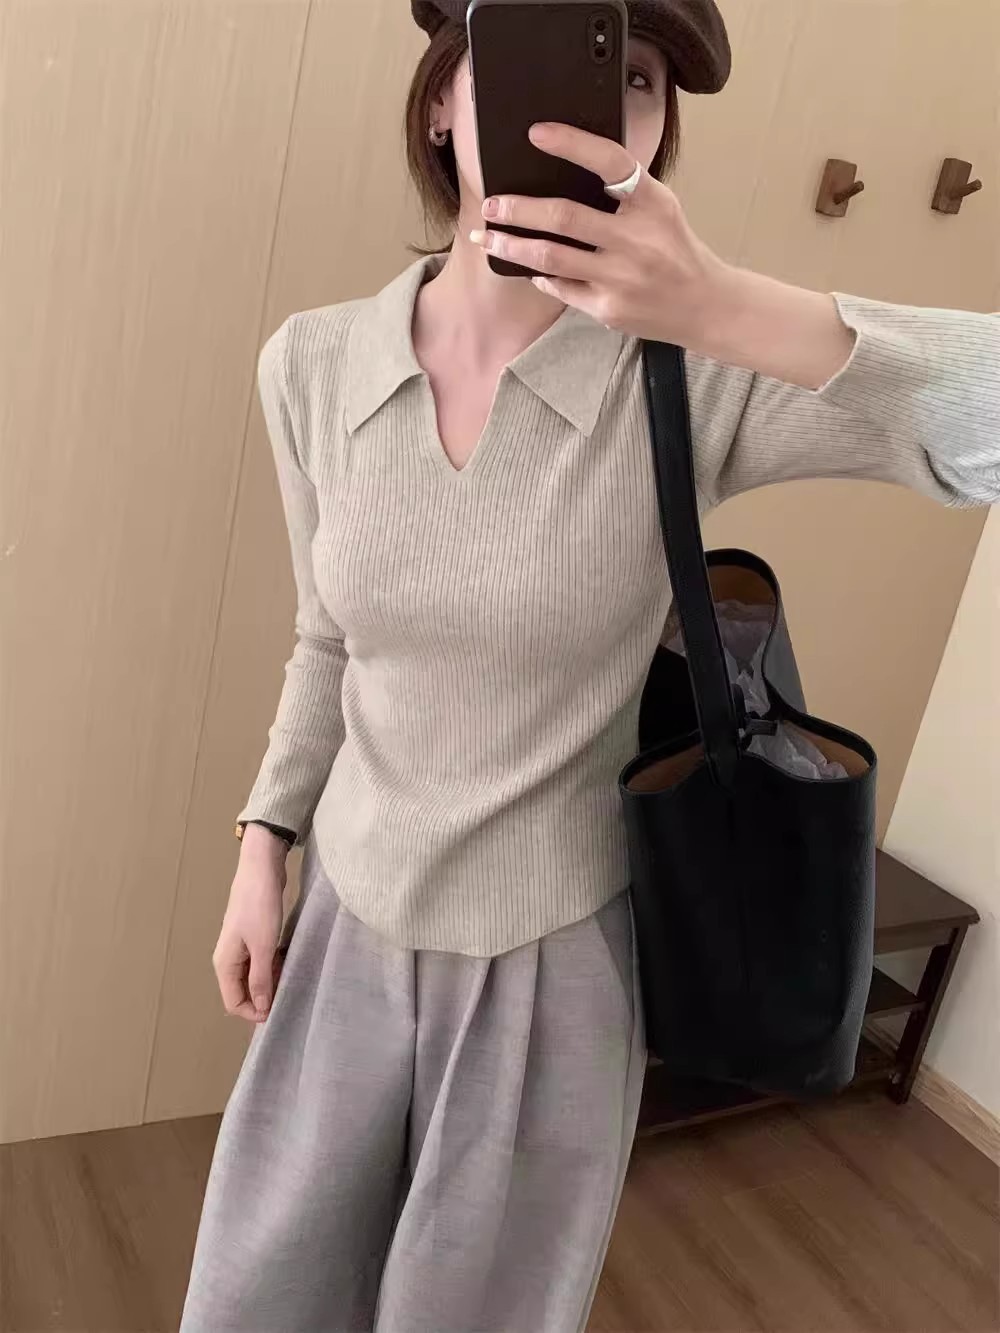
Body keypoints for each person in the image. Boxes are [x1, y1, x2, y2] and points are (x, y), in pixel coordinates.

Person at [181, 1, 999, 1329]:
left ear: (659, 133)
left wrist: (723, 305)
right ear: (443, 99)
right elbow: (326, 636)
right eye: (530, 48)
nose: (593, 102)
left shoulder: (690, 376)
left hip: (551, 974)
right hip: (343, 933)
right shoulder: (314, 365)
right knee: (259, 1304)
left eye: (637, 75)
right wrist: (262, 844)